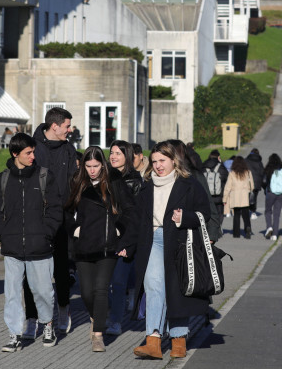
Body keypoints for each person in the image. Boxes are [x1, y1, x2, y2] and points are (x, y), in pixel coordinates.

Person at [120, 141, 212, 360]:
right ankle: (153, 339)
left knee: (176, 288)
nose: (159, 165)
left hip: (179, 242)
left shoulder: (189, 184)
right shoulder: (147, 186)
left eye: (163, 160)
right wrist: (126, 245)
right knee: (153, 286)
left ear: (174, 160)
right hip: (152, 240)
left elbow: (205, 213)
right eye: (154, 162)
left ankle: (179, 339)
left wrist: (185, 218)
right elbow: (136, 220)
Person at [0, 133, 63, 352]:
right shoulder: (2, 179)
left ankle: (47, 324)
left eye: (34, 152)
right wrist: (2, 233)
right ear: (15, 154)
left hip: (40, 247)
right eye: (28, 153)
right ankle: (14, 333)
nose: (33, 156)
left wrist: (46, 233)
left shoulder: (44, 176)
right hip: (12, 248)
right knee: (12, 294)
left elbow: (55, 209)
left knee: (43, 292)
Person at [66, 146, 134, 352]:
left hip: (107, 245)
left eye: (96, 166)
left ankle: (98, 334)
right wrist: (74, 229)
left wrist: (119, 229)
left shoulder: (113, 181)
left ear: (102, 164)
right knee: (86, 292)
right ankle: (96, 315)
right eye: (88, 166)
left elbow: (130, 209)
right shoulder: (77, 182)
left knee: (101, 289)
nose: (92, 170)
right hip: (84, 246)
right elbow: (66, 211)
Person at [22, 107, 78, 338]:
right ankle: (31, 319)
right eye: (67, 126)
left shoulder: (69, 150)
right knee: (32, 273)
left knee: (63, 271)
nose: (70, 130)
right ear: (54, 126)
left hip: (63, 218)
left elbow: (76, 181)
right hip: (37, 219)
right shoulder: (33, 147)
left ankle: (63, 309)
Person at [106, 140, 142, 336]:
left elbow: (136, 217)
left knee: (119, 282)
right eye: (111, 152)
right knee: (104, 283)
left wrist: (128, 244)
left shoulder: (135, 181)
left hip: (126, 240)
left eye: (118, 153)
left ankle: (116, 321)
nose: (113, 156)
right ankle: (107, 314)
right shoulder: (105, 178)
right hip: (106, 238)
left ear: (127, 156)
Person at [222, 156, 254, 238]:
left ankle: (236, 233)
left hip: (235, 197)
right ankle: (247, 228)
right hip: (245, 196)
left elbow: (228, 187)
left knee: (236, 215)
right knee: (246, 215)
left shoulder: (232, 173)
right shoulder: (248, 172)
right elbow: (252, 186)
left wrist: (224, 198)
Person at [262, 153, 282, 241]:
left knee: (268, 211)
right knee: (276, 214)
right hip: (281, 194)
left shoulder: (268, 169)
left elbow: (263, 181)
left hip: (271, 193)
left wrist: (265, 189)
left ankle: (269, 227)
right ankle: (275, 235)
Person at [202, 149, 229, 228]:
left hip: (206, 195)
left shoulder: (204, 165)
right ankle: (217, 227)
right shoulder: (220, 166)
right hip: (218, 194)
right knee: (219, 212)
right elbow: (226, 177)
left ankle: (209, 227)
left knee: (208, 211)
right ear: (218, 157)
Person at [246, 148, 265, 220]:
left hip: (247, 182)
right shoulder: (259, 162)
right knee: (254, 197)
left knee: (246, 197)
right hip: (256, 182)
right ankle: (253, 212)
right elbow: (262, 172)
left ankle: (246, 210)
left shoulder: (246, 160)